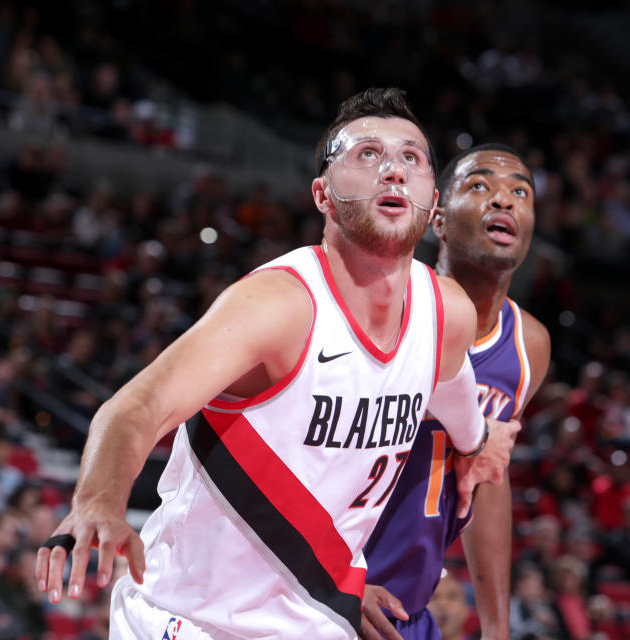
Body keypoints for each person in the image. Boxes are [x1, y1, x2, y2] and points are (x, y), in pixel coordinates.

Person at [36, 88, 521, 639]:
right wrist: (98, 501)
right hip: (190, 620)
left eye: (411, 157)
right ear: (323, 194)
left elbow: (468, 428)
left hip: (316, 621)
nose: (393, 170)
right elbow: (136, 406)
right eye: (367, 154)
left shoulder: (445, 315)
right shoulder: (279, 306)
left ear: (432, 200)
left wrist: (482, 446)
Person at [359, 143, 550, 640]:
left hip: (408, 613)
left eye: (520, 192)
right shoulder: (387, 307)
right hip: (320, 593)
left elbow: (486, 475)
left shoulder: (528, 345)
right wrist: (331, 576)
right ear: (437, 218)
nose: (504, 201)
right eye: (481, 186)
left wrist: (496, 628)